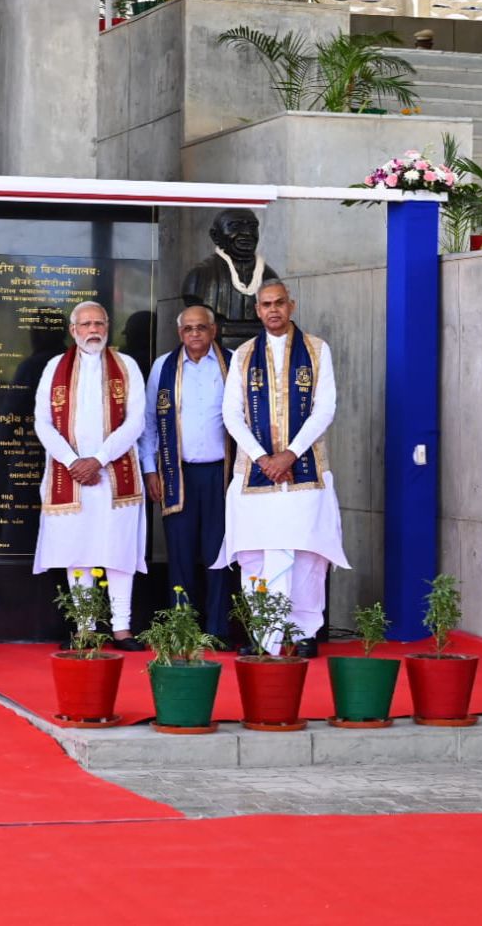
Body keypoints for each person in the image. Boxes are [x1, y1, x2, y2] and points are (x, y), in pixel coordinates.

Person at [216, 279, 349, 657]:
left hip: (305, 471)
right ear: (257, 310)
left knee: (307, 553)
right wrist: (263, 459)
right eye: (265, 305)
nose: (272, 310)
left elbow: (325, 408)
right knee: (255, 554)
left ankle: (303, 632)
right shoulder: (243, 355)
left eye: (279, 303)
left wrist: (289, 455)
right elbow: (231, 414)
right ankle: (264, 633)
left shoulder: (317, 349)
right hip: (254, 475)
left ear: (291, 305)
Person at [33, 301, 147, 650]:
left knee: (118, 550)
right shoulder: (55, 367)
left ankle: (122, 627)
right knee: (77, 549)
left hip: (114, 474)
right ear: (73, 330)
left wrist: (97, 459)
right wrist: (73, 462)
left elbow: (136, 422)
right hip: (71, 475)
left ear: (108, 327)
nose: (93, 330)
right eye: (86, 324)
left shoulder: (126, 366)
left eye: (99, 323)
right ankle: (85, 627)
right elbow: (43, 422)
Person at [138, 305, 234, 640]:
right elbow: (149, 422)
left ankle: (218, 630)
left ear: (213, 330)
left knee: (219, 554)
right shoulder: (163, 366)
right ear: (180, 333)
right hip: (175, 473)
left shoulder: (233, 363)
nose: (195, 333)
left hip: (222, 474)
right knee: (179, 554)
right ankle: (183, 630)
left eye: (201, 327)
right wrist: (150, 469)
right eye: (188, 328)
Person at [181, 208, 280, 342]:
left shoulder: (269, 277)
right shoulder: (199, 277)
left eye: (252, 227)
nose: (247, 232)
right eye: (235, 226)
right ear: (215, 236)